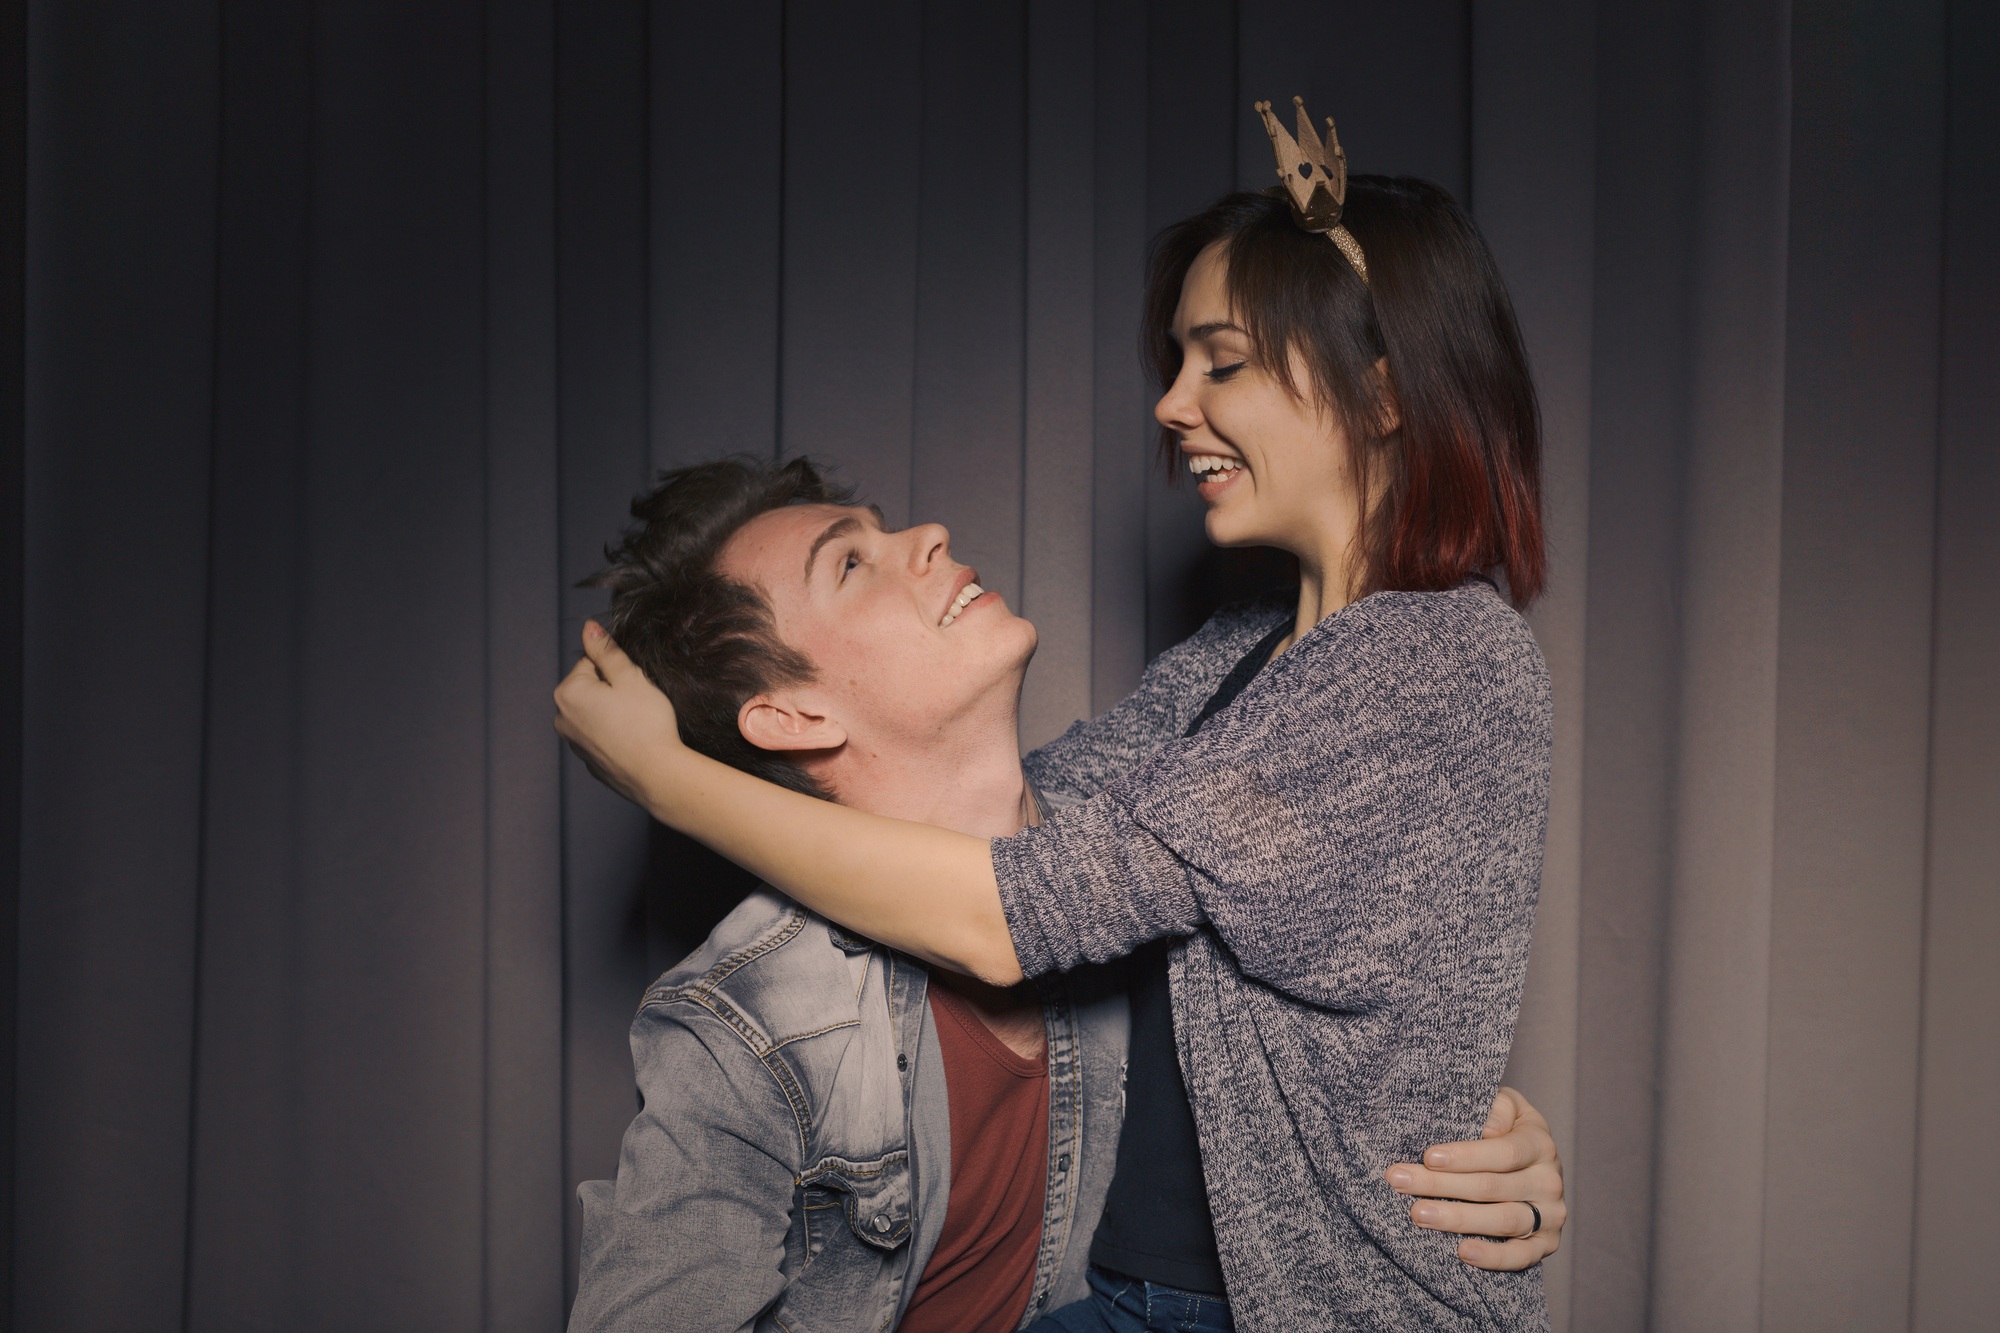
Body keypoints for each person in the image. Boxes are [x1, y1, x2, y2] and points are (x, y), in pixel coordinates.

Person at [557, 103, 1562, 1329]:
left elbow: (1019, 909)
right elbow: (1043, 831)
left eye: (1221, 362)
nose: (1168, 405)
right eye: (1177, 365)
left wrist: (672, 781)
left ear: (1380, 390)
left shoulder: (1433, 656)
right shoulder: (1234, 661)